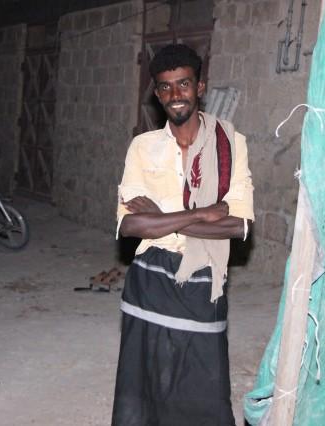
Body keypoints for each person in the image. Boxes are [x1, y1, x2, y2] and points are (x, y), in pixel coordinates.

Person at [112, 44, 254, 425]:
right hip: (149, 283)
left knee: (204, 394)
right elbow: (130, 226)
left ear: (200, 87)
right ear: (157, 95)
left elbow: (239, 226)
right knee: (143, 394)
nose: (175, 94)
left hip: (203, 281)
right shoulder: (142, 148)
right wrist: (202, 214)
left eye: (184, 84)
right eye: (165, 87)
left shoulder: (230, 145)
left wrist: (163, 217)